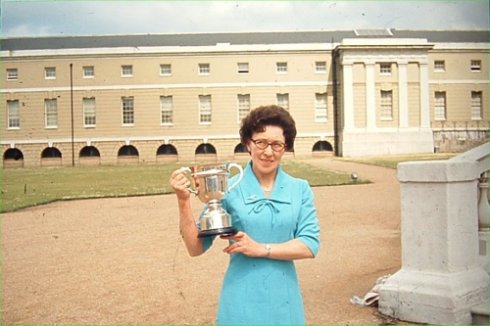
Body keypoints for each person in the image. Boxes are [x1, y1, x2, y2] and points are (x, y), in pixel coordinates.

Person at [169, 105, 320, 325]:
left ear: (285, 148)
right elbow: (195, 248)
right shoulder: (228, 189)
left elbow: (310, 244)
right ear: (248, 143)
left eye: (277, 144)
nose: (268, 151)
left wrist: (261, 249)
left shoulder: (300, 189)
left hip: (284, 300)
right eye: (261, 142)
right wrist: (183, 201)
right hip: (240, 298)